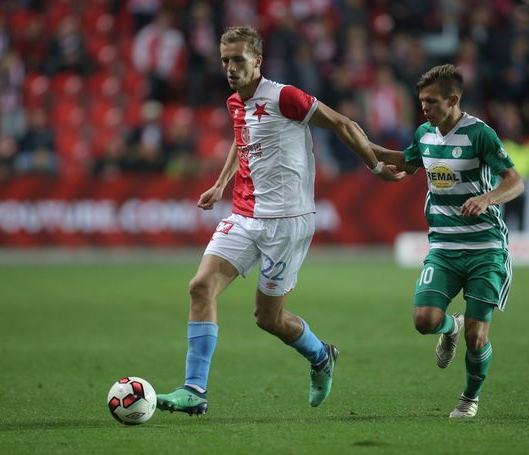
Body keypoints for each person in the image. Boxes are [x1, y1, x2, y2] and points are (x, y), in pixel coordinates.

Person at [155, 25, 404, 415]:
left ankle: (321, 355)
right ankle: (194, 390)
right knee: (200, 287)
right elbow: (242, 141)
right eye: (225, 60)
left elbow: (342, 125)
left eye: (239, 59)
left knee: (267, 319)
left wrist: (376, 165)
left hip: (287, 223)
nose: (231, 67)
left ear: (258, 60)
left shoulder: (285, 96)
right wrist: (220, 184)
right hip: (244, 214)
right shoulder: (235, 102)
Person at [370, 64, 524, 418]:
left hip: (485, 248)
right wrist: (363, 146)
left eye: (431, 101)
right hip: (443, 247)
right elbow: (406, 162)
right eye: (421, 101)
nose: (424, 107)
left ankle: (469, 398)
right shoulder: (424, 134)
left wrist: (487, 199)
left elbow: (515, 181)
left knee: (477, 336)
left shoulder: (480, 134)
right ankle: (448, 326)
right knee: (423, 320)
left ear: (453, 100)